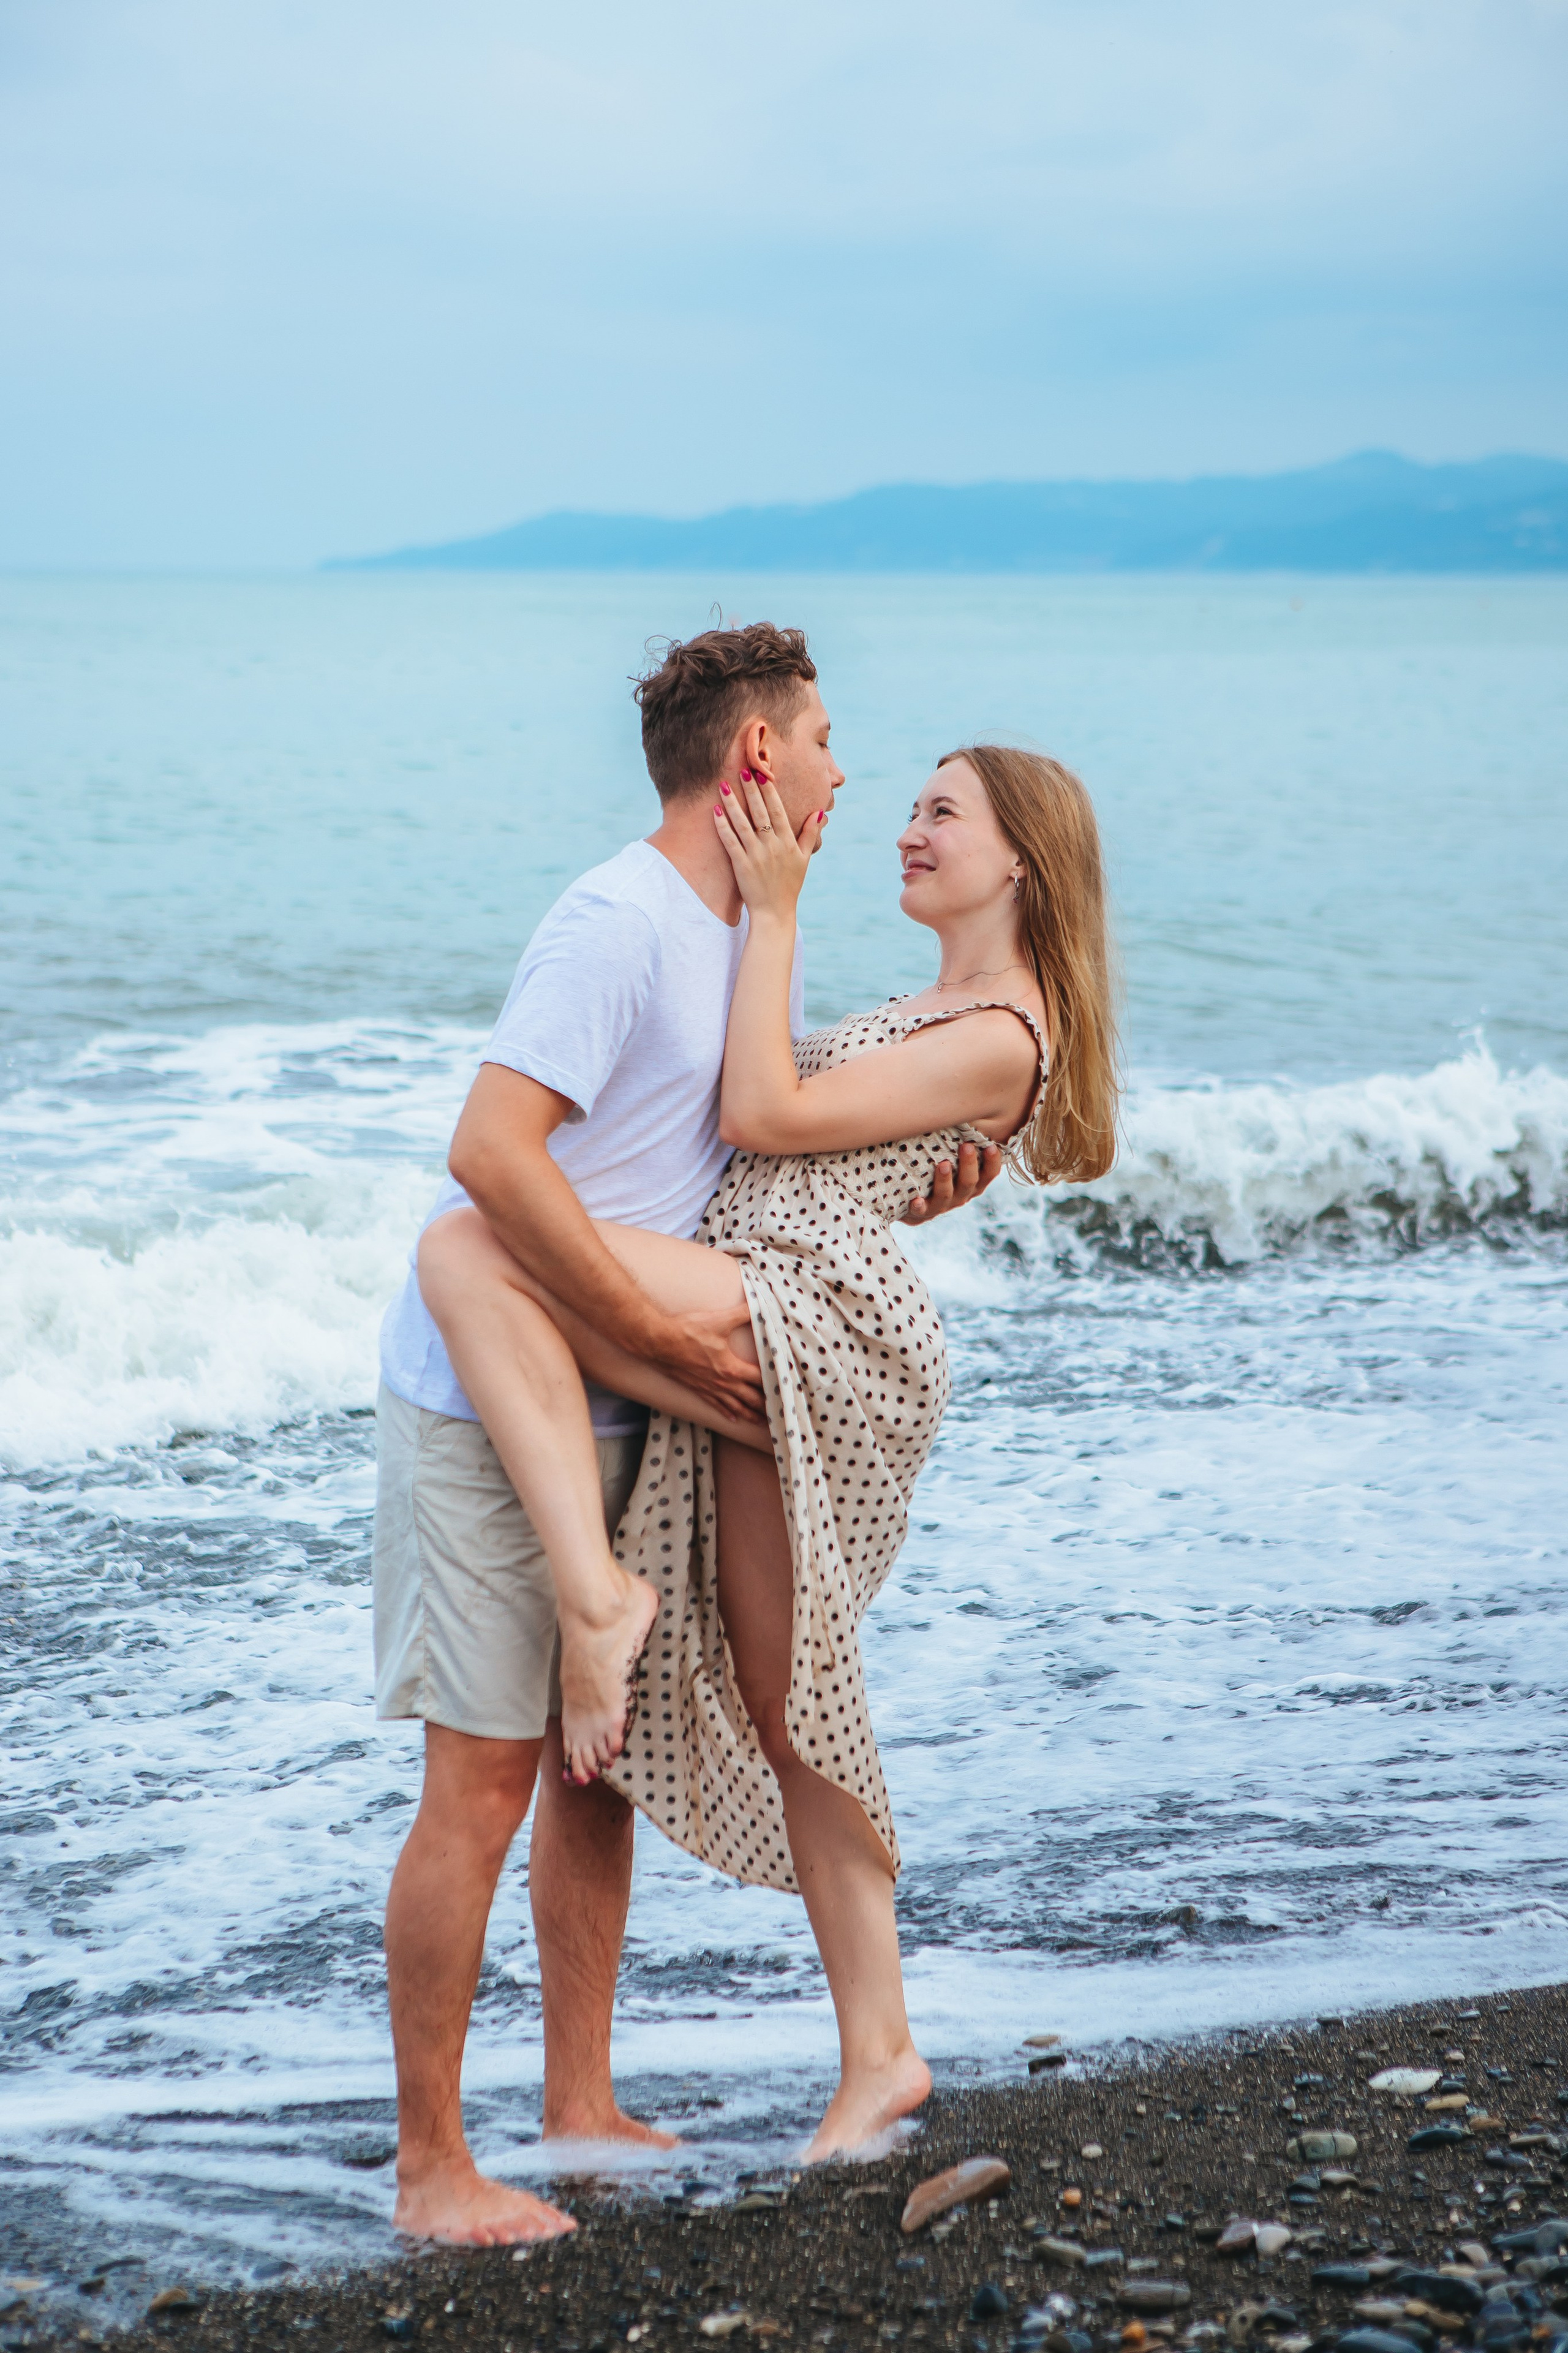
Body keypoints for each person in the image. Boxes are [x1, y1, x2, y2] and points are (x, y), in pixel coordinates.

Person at [373, 623, 999, 2248]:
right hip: (497, 1390)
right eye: (825, 739)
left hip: (628, 1385)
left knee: (599, 1775)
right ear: (756, 764)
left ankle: (576, 2103)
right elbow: (490, 1159)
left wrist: (906, 1191)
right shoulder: (621, 922)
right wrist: (655, 1332)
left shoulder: (747, 933)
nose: (849, 772)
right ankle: (435, 2166)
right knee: (483, 1781)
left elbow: (756, 1146)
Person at [418, 738, 1120, 2164]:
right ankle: (880, 2053)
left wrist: (774, 910)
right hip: (771, 1281)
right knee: (782, 1680)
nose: (907, 829)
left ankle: (594, 1602)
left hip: (814, 1315)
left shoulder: (1004, 1025)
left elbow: (760, 1115)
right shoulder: (944, 1006)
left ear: (1020, 863)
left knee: (472, 1242)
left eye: (941, 814)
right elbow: (809, 1147)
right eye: (913, 808)